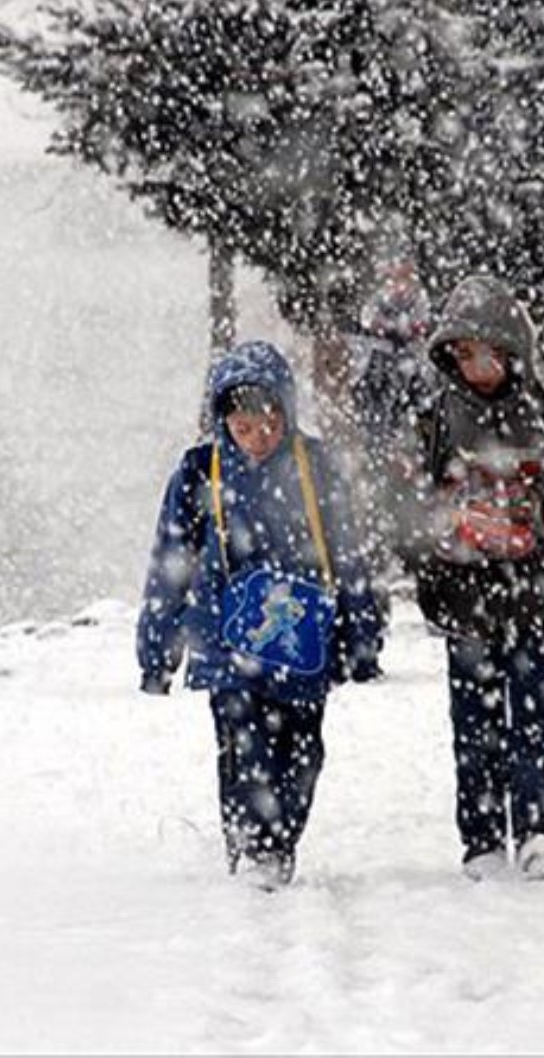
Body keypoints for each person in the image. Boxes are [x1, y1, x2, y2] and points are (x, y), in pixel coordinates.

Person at [137, 340, 385, 891]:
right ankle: (252, 846)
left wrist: (361, 634)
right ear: (224, 421)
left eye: (269, 425)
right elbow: (170, 562)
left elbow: (347, 554)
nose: (257, 438)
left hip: (303, 642)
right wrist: (158, 649)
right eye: (244, 427)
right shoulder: (200, 472)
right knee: (242, 746)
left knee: (302, 750)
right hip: (225, 642)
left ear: (287, 414)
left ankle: (280, 841)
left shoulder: (316, 467)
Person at [410, 274, 544, 883]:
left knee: (534, 717)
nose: (476, 368)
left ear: (513, 352)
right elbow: (405, 505)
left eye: (489, 354)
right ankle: (482, 839)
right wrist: (441, 548)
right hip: (465, 600)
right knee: (474, 725)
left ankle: (541, 832)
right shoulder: (434, 421)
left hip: (536, 595)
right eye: (464, 355)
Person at [345, 263, 436, 578]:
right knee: (379, 489)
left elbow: (424, 396)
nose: (399, 286)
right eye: (394, 279)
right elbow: (365, 390)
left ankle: (410, 553)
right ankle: (380, 552)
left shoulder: (421, 317)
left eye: (404, 279)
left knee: (411, 493)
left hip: (408, 434)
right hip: (381, 429)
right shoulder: (375, 318)